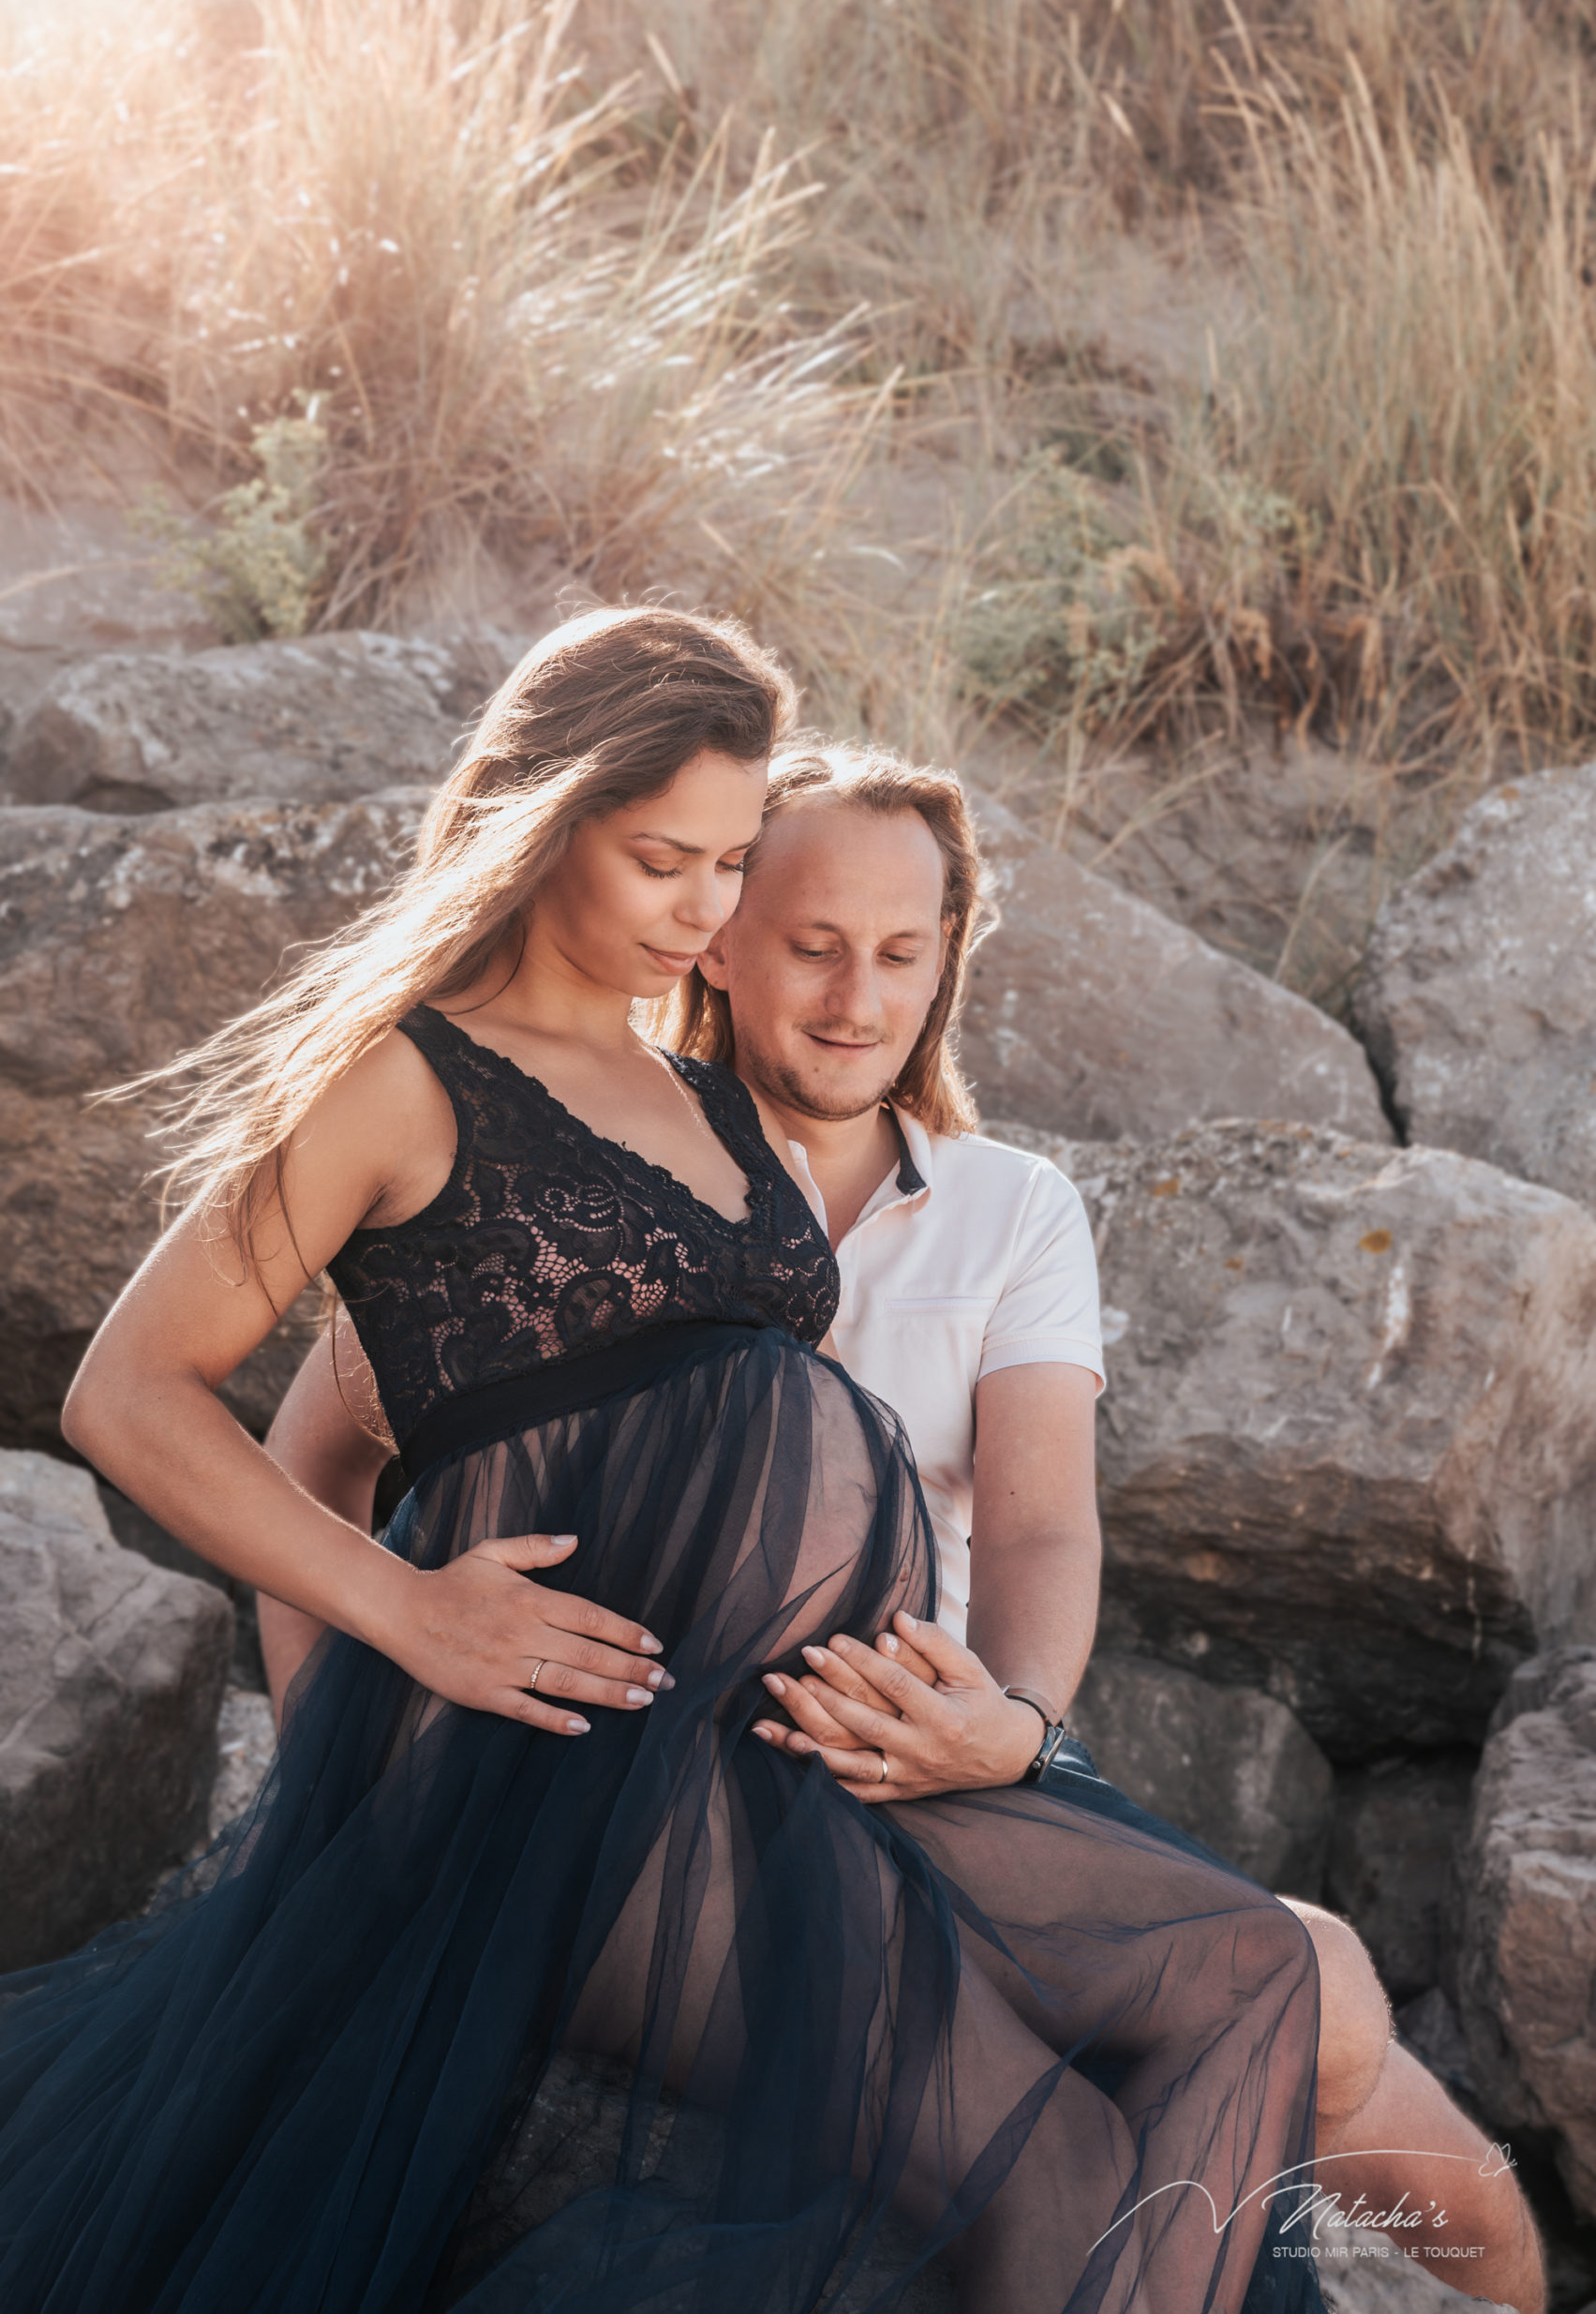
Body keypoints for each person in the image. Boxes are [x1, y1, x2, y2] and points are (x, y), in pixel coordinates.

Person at [0, 609, 1329, 2314]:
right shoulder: (402, 1083)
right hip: (600, 1787)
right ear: (542, 823)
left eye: (727, 864)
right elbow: (134, 1394)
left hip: (792, 1746)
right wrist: (403, 1624)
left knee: (1244, 1964)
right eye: (665, 861)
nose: (708, 910)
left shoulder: (700, 1096)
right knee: (1057, 2174)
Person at [260, 734, 1547, 2314]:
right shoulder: (574, 1184)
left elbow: (1038, 1537)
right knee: (1193, 2072)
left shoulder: (1011, 1209)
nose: (854, 1000)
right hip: (666, 1790)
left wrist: (1014, 1726)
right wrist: (342, 1750)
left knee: (1340, 2019)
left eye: (898, 955)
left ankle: (1494, 2284)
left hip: (921, 1755)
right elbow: (308, 1452)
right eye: (810, 948)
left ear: (947, 963)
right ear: (719, 938)